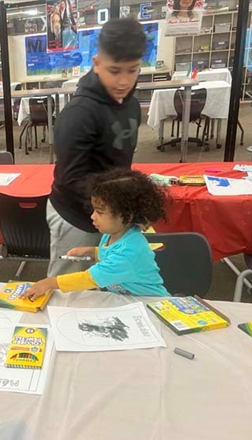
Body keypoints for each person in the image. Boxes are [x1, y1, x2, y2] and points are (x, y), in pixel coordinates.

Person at [47, 17, 146, 277]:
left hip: (111, 214)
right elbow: (71, 180)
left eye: (132, 69)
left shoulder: (132, 105)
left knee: (105, 282)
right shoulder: (79, 113)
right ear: (97, 64)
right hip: (76, 217)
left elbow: (120, 163)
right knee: (67, 288)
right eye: (114, 71)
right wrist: (110, 210)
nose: (124, 81)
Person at [22, 169, 170, 300]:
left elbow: (88, 278)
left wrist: (49, 283)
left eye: (99, 212)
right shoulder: (113, 234)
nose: (92, 216)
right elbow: (111, 255)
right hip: (130, 302)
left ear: (127, 215)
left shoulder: (128, 252)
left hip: (153, 304)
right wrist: (92, 252)